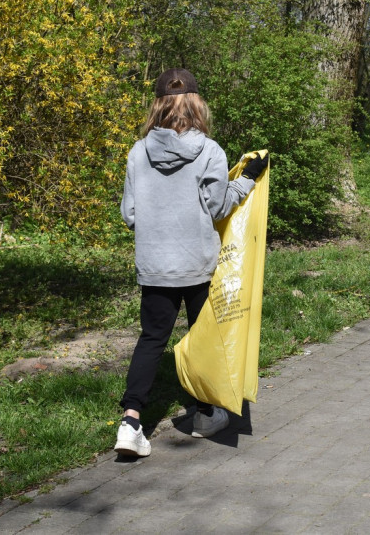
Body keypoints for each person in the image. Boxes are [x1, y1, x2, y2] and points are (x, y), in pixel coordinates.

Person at [114, 68, 268, 457]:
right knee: (203, 338)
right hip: (197, 264)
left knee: (152, 339)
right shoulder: (211, 151)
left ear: (159, 106)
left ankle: (131, 423)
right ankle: (204, 414)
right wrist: (248, 178)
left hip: (155, 264)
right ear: (197, 104)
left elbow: (129, 213)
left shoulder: (137, 151)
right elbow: (218, 206)